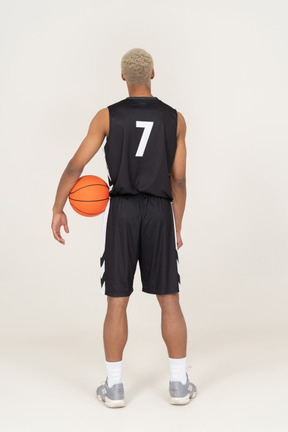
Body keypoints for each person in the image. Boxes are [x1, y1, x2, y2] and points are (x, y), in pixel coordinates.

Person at [51, 47, 197, 408]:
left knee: (116, 301)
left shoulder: (106, 117)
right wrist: (175, 225)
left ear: (122, 77)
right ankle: (178, 384)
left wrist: (58, 208)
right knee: (170, 300)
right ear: (152, 74)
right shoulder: (175, 119)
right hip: (159, 211)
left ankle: (114, 388)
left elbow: (74, 167)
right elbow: (178, 181)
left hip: (122, 210)